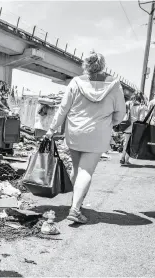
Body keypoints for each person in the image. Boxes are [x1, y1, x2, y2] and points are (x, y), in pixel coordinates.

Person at [45, 51, 126, 224]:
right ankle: (75, 208)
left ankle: (76, 203)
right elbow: (121, 112)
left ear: (86, 66)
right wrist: (112, 122)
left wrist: (51, 129)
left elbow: (63, 109)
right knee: (86, 170)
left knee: (77, 169)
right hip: (98, 133)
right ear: (103, 65)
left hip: (75, 132)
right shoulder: (114, 84)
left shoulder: (76, 82)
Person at [120, 93, 146, 164]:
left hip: (127, 125)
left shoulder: (127, 103)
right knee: (132, 143)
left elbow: (121, 112)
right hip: (135, 127)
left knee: (125, 142)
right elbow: (141, 119)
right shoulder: (142, 106)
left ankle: (122, 157)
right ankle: (127, 160)